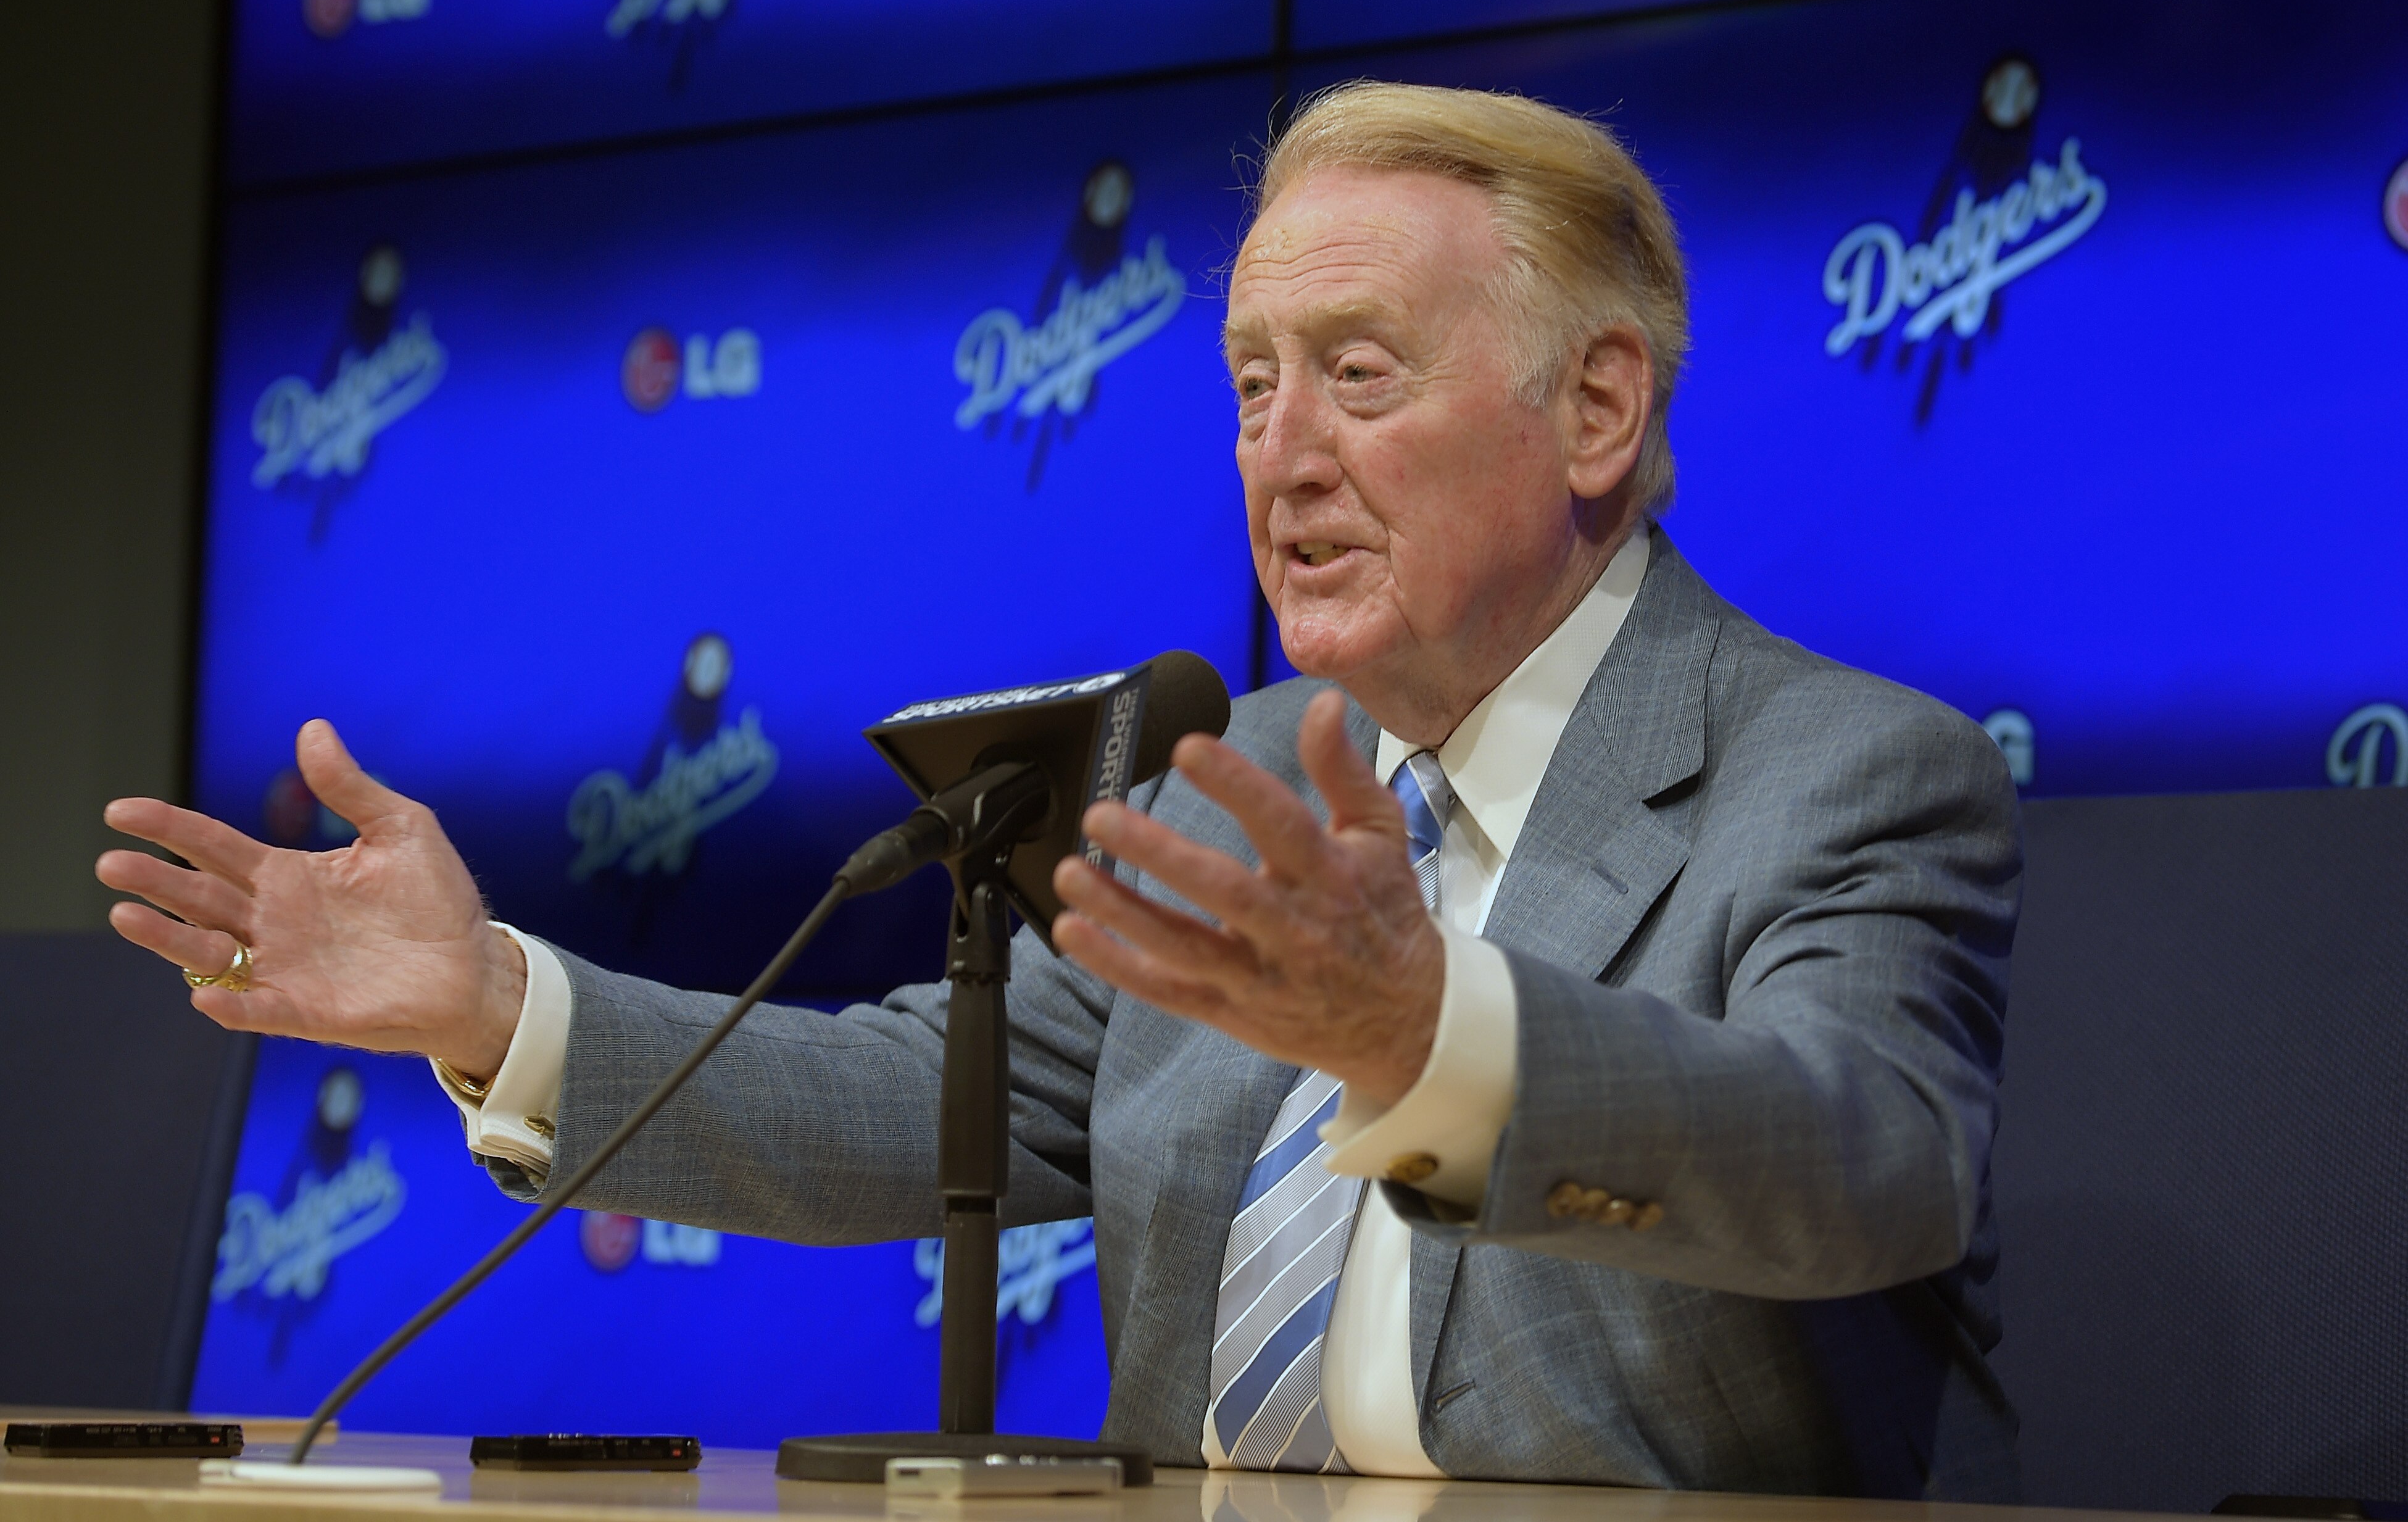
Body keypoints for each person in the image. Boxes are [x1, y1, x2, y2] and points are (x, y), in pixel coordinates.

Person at [96, 82, 2021, 1499]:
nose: (1282, 453)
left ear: (1597, 408)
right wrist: (491, 1002)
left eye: (1359, 373)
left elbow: (1863, 1168)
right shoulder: (1234, 781)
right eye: (1252, 383)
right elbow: (921, 1102)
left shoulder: (1844, 771)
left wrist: (1431, 1039)